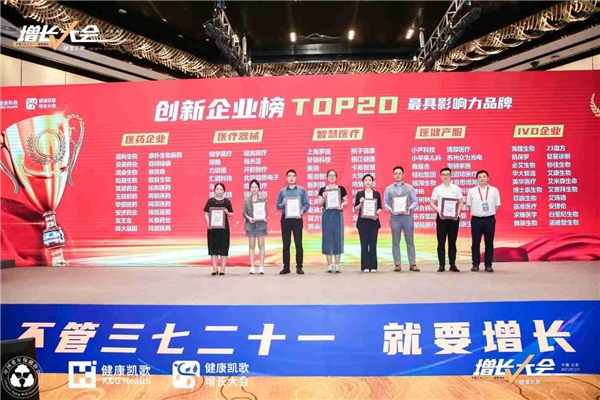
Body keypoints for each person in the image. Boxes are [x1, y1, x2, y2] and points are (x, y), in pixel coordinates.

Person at [384, 166, 419, 272]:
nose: (398, 175)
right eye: (395, 173)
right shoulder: (388, 188)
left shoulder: (409, 187)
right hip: (394, 218)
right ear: (393, 175)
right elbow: (385, 203)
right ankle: (397, 264)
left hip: (407, 217)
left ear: (403, 175)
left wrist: (410, 208)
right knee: (395, 242)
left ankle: (412, 264)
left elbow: (415, 201)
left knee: (410, 241)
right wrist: (391, 210)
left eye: (399, 173)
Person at [430, 167, 464, 273]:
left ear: (451, 176)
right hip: (442, 218)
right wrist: (439, 211)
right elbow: (431, 202)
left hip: (454, 218)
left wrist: (457, 212)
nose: (445, 176)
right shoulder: (437, 189)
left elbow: (461, 201)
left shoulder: (456, 188)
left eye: (447, 174)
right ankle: (441, 265)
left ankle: (452, 264)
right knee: (441, 242)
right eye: (443, 174)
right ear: (440, 176)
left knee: (452, 242)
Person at [276, 169, 310, 275]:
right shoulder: (282, 192)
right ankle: (286, 267)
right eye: (289, 176)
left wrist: (301, 211)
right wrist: (283, 204)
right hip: (285, 219)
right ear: (286, 178)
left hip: (297, 219)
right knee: (286, 244)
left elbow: (306, 204)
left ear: (296, 178)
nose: (291, 178)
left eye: (293, 176)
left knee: (298, 243)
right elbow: (278, 205)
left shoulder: (301, 191)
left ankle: (299, 267)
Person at [467, 170, 501, 273]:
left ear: (488, 178)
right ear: (477, 179)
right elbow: (469, 205)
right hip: (476, 220)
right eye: (480, 177)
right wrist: (478, 212)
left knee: (489, 243)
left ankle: (488, 264)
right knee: (475, 243)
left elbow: (497, 205)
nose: (482, 178)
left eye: (484, 176)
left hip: (489, 219)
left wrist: (489, 213)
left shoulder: (494, 190)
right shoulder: (472, 191)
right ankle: (475, 264)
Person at [317, 169, 348, 273]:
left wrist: (341, 205)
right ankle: (329, 265)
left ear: (336, 177)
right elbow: (319, 204)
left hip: (337, 214)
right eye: (330, 175)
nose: (332, 177)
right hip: (326, 214)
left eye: (334, 175)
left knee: (337, 237)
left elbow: (346, 201)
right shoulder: (323, 190)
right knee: (327, 238)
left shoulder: (341, 189)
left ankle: (337, 264)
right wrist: (324, 198)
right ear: (327, 177)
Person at [354, 174, 382, 272]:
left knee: (373, 244)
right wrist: (360, 203)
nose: (368, 182)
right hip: (363, 223)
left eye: (370, 180)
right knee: (364, 244)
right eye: (366, 180)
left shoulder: (376, 194)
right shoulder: (359, 194)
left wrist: (376, 213)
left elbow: (380, 208)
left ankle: (373, 266)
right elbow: (355, 208)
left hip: (373, 222)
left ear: (372, 182)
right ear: (363, 182)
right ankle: (365, 266)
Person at [203, 183, 234, 275]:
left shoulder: (227, 202)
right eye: (217, 189)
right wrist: (208, 223)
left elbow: (231, 214)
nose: (219, 191)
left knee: (224, 247)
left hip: (224, 229)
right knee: (213, 247)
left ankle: (223, 269)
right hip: (212, 229)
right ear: (214, 190)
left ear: (224, 191)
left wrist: (227, 212)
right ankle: (215, 268)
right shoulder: (210, 201)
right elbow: (206, 214)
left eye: (221, 189)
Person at [243, 179, 267, 275]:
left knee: (261, 245)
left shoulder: (263, 200)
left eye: (256, 187)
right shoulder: (246, 200)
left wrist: (265, 218)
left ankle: (261, 267)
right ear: (249, 189)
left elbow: (266, 213)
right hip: (250, 225)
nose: (254, 189)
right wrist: (249, 218)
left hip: (261, 225)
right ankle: (252, 266)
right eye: (252, 187)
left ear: (259, 188)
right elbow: (244, 213)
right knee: (251, 246)